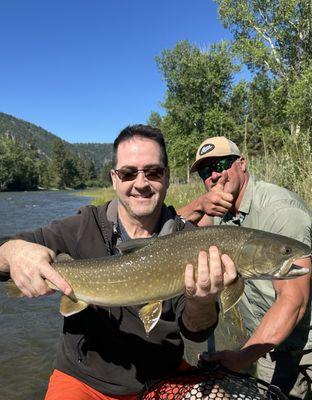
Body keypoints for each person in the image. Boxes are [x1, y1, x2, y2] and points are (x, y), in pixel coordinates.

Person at [0, 126, 237, 400]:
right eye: (127, 173)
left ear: (168, 177)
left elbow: (197, 332)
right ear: (114, 178)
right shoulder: (83, 225)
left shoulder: (189, 241)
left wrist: (202, 301)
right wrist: (14, 251)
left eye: (153, 172)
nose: (141, 183)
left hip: (165, 376)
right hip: (83, 380)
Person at [178, 136, 312, 399]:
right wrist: (197, 205)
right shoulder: (220, 213)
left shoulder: (280, 211)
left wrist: (242, 357)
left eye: (222, 165)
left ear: (242, 163)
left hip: (306, 348)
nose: (214, 176)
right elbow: (169, 233)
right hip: (267, 348)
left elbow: (293, 301)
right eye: (206, 171)